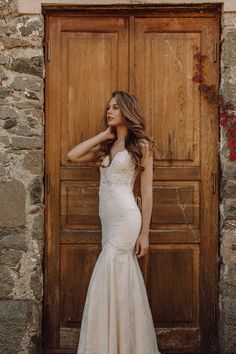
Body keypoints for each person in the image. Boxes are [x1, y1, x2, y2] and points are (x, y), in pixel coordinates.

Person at [67, 90, 161, 354]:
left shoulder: (141, 145)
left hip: (126, 218)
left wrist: (145, 234)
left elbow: (148, 191)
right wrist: (104, 135)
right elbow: (72, 155)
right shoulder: (106, 147)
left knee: (109, 272)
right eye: (108, 107)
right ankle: (116, 344)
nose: (110, 111)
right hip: (107, 221)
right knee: (118, 276)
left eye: (116, 107)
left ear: (127, 111)